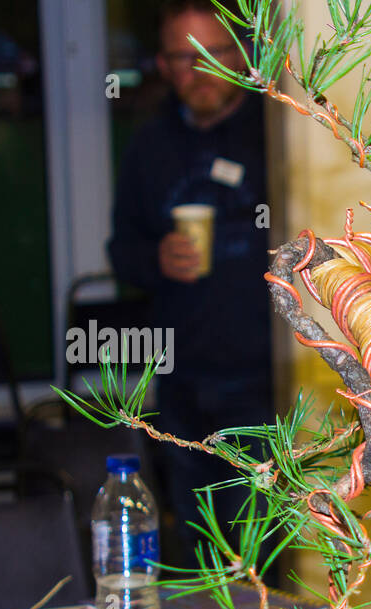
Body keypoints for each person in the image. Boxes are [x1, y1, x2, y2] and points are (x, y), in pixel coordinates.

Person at [107, 0, 273, 569]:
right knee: (199, 543)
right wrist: (155, 257)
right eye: (183, 57)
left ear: (241, 56)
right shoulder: (150, 146)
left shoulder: (278, 134)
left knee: (269, 545)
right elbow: (120, 251)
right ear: (162, 65)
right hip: (182, 380)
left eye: (214, 54)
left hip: (268, 380)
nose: (199, 71)